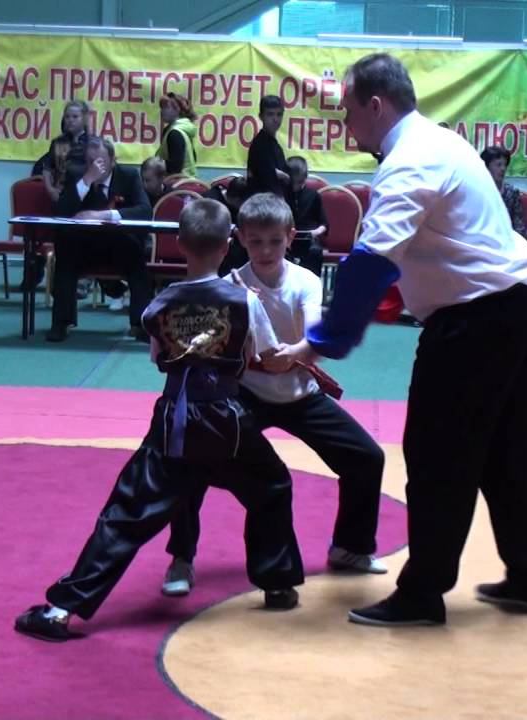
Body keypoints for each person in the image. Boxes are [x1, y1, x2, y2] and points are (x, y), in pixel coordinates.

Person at [275, 53, 527, 627]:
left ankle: (423, 592)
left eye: (349, 111)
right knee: (505, 450)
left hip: (475, 322)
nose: (346, 124)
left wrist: (318, 343)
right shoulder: (442, 141)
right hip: (512, 309)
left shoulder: (409, 160)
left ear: (376, 105)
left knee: (436, 455)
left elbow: (372, 261)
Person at [13, 198, 305, 642]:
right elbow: (264, 355)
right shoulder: (246, 301)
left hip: (176, 422)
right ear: (228, 245)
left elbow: (159, 359)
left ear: (179, 243)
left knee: (127, 512)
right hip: (228, 422)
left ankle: (60, 610)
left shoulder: (158, 306)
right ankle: (278, 584)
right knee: (272, 486)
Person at [161, 193, 386, 596]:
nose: (265, 250)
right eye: (256, 241)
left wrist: (295, 353)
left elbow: (314, 334)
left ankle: (350, 548)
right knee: (191, 459)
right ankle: (181, 558)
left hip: (300, 391)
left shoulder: (306, 282)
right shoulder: (229, 287)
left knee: (367, 457)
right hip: (245, 394)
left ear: (290, 237)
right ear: (239, 239)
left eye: (275, 241)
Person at [47, 138, 153, 342]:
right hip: (85, 247)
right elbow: (61, 211)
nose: (95, 166)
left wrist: (105, 215)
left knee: (138, 259)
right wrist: (87, 181)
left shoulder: (129, 176)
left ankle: (140, 325)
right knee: (64, 251)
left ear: (113, 161)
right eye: (90, 162)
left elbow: (144, 211)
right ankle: (61, 323)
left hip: (120, 246)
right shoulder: (77, 175)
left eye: (100, 161)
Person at [286, 156, 327, 276]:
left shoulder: (313, 195)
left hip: (308, 240)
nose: (295, 187)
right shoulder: (281, 194)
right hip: (286, 240)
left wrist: (315, 232)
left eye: (299, 182)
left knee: (315, 252)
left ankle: (312, 282)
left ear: (305, 178)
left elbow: (324, 224)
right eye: (292, 182)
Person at [246, 95, 291, 199]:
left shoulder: (275, 145)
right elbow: (267, 178)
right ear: (261, 116)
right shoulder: (259, 144)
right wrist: (283, 176)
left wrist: (284, 176)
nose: (275, 119)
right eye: (270, 114)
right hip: (262, 204)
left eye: (279, 114)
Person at [31, 100, 91, 178]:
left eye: (75, 117)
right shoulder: (58, 142)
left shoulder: (92, 143)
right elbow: (46, 169)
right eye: (67, 117)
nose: (70, 120)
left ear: (85, 119)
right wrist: (50, 185)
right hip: (61, 184)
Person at [482, 146, 526, 234]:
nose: (503, 169)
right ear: (486, 167)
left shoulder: (512, 192)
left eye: (505, 165)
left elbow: (518, 226)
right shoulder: (479, 190)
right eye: (498, 165)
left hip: (507, 237)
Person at [157, 92, 199, 177]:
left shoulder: (175, 133)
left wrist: (154, 164)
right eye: (161, 108)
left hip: (179, 182)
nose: (162, 111)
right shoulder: (183, 129)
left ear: (177, 109)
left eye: (166, 107)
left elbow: (175, 167)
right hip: (189, 180)